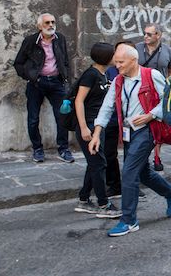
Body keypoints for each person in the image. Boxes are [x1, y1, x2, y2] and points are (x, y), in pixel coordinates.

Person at [88, 43, 171, 237]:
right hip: (129, 131)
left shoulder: (151, 75)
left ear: (134, 60)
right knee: (143, 173)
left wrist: (150, 115)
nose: (117, 66)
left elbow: (169, 100)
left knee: (129, 173)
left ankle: (129, 220)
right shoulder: (117, 81)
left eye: (121, 62)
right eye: (116, 62)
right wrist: (96, 134)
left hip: (147, 130)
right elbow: (106, 108)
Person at [13, 13, 73, 163]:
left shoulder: (60, 39)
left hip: (56, 83)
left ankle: (63, 149)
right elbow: (18, 63)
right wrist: (31, 77)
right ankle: (37, 149)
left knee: (62, 116)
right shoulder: (31, 41)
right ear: (40, 26)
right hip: (36, 84)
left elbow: (65, 61)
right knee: (33, 118)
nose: (51, 25)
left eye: (53, 22)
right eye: (47, 23)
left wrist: (65, 78)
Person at [72, 42, 121, 219]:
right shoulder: (90, 75)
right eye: (114, 54)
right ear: (106, 57)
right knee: (98, 164)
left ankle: (84, 200)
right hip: (89, 126)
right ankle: (103, 204)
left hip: (99, 125)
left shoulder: (103, 74)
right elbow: (79, 101)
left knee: (95, 164)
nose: (117, 57)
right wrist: (84, 127)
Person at [136, 23, 171, 172]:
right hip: (140, 91)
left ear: (158, 35)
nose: (145, 36)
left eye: (149, 34)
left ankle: (157, 155)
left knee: (157, 123)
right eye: (145, 33)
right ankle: (144, 154)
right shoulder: (137, 48)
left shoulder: (168, 51)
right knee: (143, 122)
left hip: (159, 91)